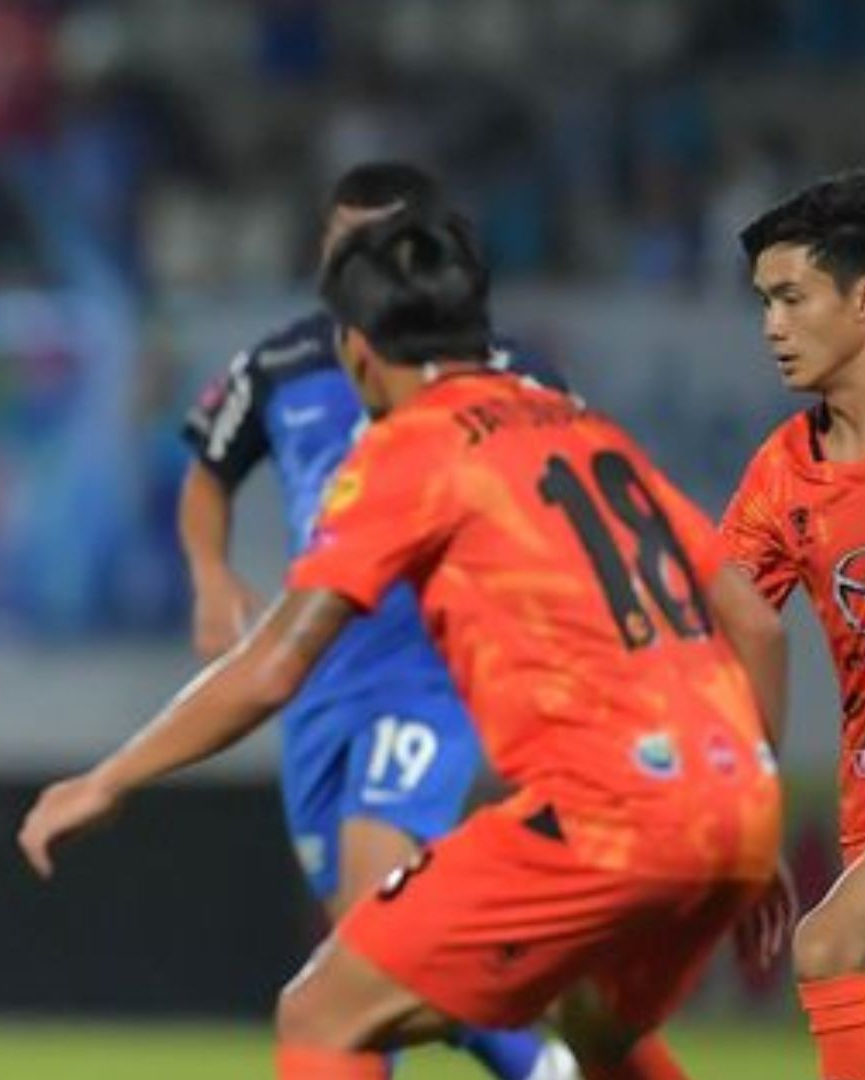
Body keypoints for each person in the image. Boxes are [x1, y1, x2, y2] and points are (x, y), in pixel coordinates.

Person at [21, 208, 793, 1080]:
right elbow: (757, 623)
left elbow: (275, 666)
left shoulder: (410, 450)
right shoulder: (581, 428)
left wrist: (110, 777)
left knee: (324, 1013)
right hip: (737, 799)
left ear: (357, 351)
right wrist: (743, 797)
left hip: (609, 810)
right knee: (596, 1033)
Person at [179, 161, 576, 1080]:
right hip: (319, 674)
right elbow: (207, 475)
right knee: (365, 946)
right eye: (340, 244)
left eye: (375, 243)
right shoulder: (278, 362)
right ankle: (541, 1064)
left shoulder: (501, 370)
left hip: (435, 664)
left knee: (367, 938)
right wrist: (209, 573)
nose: (353, 263)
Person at [723, 171, 865, 1080]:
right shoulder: (781, 476)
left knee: (830, 945)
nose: (771, 325)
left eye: (791, 297)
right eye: (763, 302)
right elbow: (720, 629)